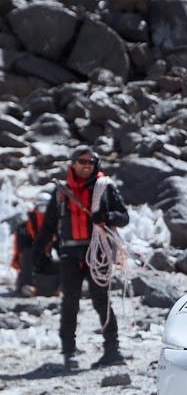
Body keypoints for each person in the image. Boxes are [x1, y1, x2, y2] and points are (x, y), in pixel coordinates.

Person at [33, 148, 129, 370]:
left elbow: (123, 216)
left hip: (98, 252)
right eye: (82, 161)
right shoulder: (62, 192)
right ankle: (69, 351)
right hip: (69, 253)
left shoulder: (104, 187)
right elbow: (48, 225)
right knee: (70, 303)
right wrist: (38, 252)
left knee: (101, 300)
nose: (87, 165)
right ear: (73, 163)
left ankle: (112, 350)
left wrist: (107, 216)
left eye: (91, 162)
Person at [11, 193, 51, 296]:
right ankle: (27, 286)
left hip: (49, 253)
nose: (43, 210)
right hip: (32, 255)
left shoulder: (55, 218)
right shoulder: (26, 222)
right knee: (28, 254)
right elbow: (20, 245)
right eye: (41, 206)